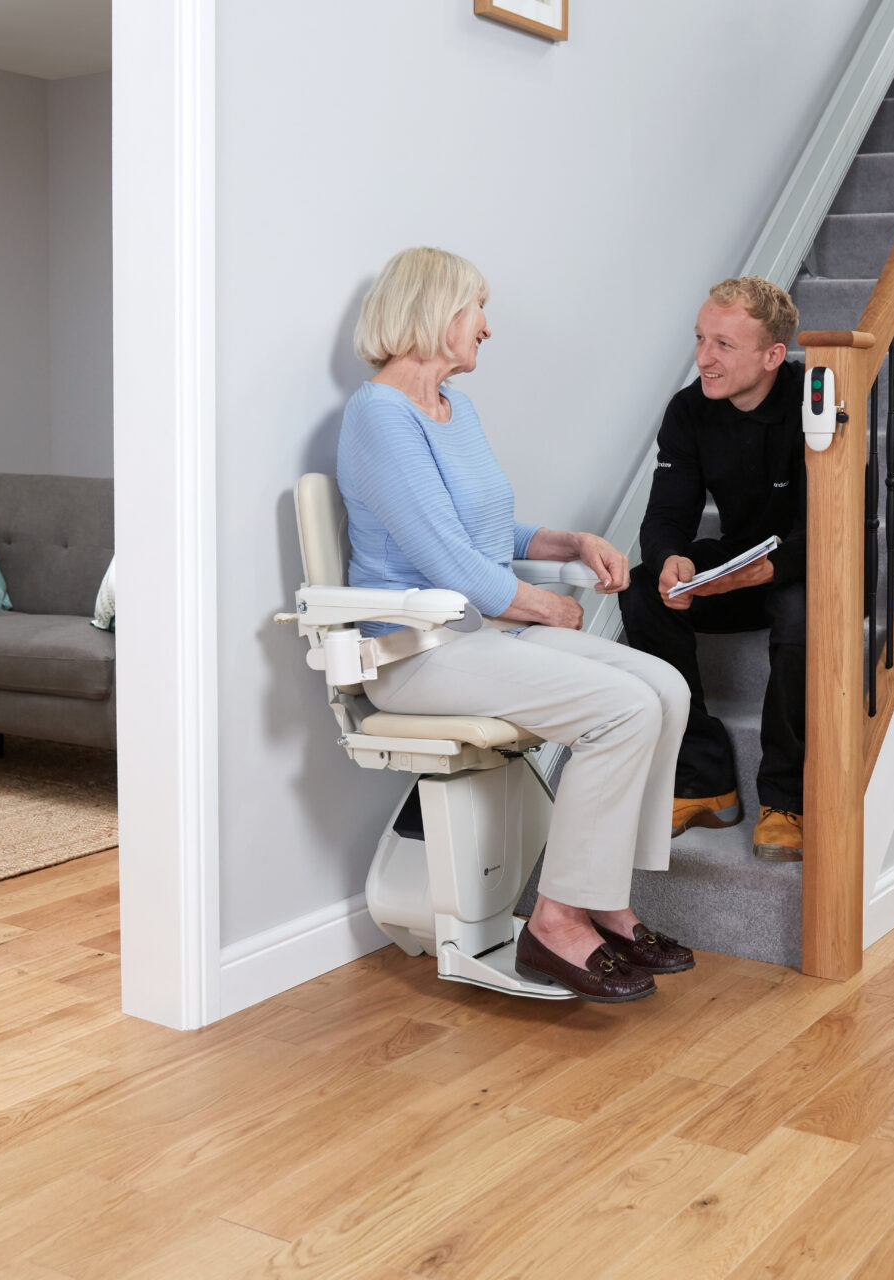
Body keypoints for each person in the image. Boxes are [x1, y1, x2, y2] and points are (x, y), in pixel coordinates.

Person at [338, 246, 694, 1003]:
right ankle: (557, 921)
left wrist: (566, 543)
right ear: (433, 312)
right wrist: (537, 604)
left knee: (664, 686)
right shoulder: (378, 418)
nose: (487, 327)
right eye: (476, 307)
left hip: (478, 639)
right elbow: (442, 557)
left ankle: (603, 900)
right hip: (413, 653)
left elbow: (482, 531)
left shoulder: (453, 409)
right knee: (622, 710)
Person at [619, 277, 807, 862]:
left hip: (808, 565)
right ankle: (704, 775)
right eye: (701, 339)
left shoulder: (817, 400)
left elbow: (840, 529)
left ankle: (785, 798)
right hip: (737, 562)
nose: (704, 357)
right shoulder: (689, 409)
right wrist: (672, 557)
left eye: (724, 344)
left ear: (773, 355)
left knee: (800, 613)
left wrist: (763, 571)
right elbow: (666, 513)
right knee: (643, 589)